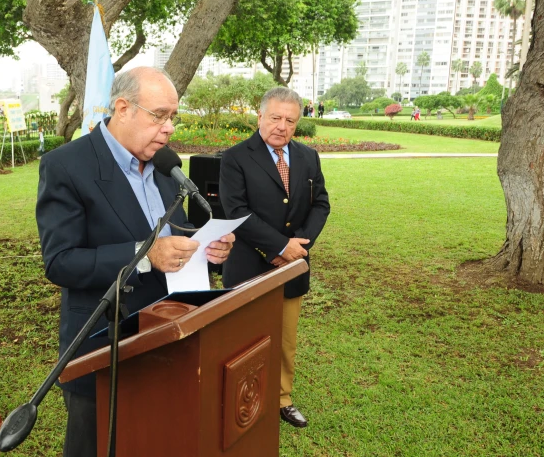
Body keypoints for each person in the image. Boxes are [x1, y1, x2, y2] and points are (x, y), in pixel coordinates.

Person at [36, 66, 235, 457]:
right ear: (122, 108)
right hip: (101, 348)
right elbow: (60, 262)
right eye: (159, 115)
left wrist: (208, 251)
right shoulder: (67, 166)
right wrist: (143, 255)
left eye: (173, 117)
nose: (169, 128)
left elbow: (173, 235)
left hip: (167, 341)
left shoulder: (165, 167)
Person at [219, 86, 330, 429]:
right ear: (260, 117)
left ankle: (282, 398)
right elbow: (237, 211)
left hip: (293, 266)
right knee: (243, 340)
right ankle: (240, 399)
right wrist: (280, 247)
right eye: (276, 118)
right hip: (248, 265)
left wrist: (299, 248)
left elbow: (321, 203)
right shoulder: (235, 158)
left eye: (290, 121)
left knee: (285, 339)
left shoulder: (308, 156)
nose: (282, 126)